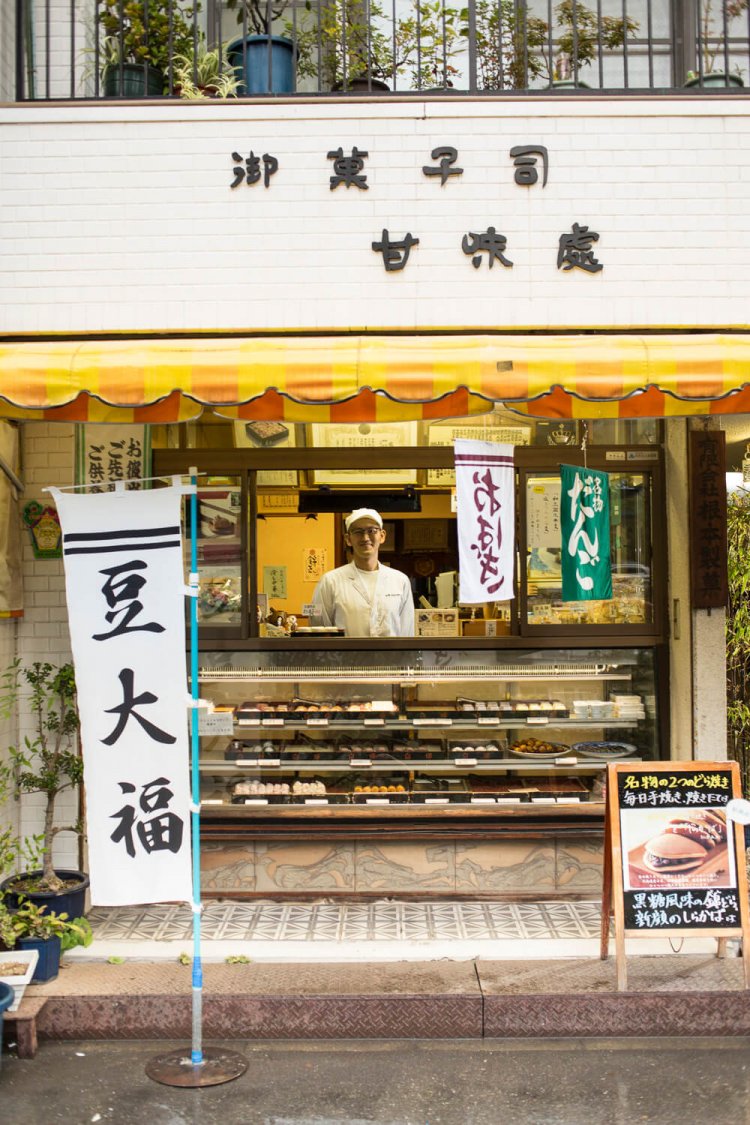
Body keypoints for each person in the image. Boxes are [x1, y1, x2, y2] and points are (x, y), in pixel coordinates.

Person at [311, 508, 414, 637]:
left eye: (372, 531)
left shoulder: (400, 581)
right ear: (348, 539)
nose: (365, 538)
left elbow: (407, 632)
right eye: (358, 532)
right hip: (347, 657)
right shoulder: (330, 581)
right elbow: (319, 631)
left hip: (390, 657)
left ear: (382, 536)